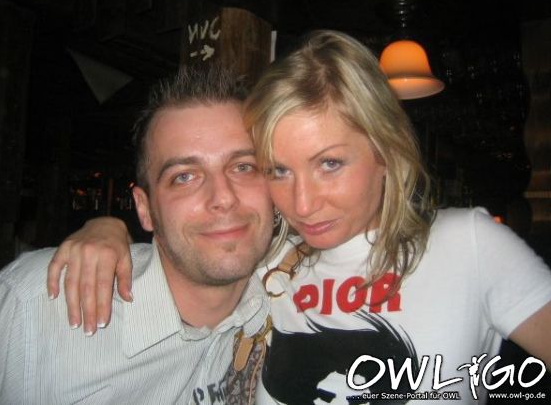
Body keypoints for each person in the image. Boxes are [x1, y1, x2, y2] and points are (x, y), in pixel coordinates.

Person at [48, 31, 551, 404]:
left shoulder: (469, 245)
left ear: (386, 151)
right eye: (279, 170)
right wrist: (108, 228)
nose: (303, 204)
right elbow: (188, 258)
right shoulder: (268, 261)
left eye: (329, 164)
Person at [0, 67, 275, 404]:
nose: (223, 197)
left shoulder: (287, 297)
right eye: (184, 177)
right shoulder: (35, 305)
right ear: (144, 208)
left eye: (244, 167)